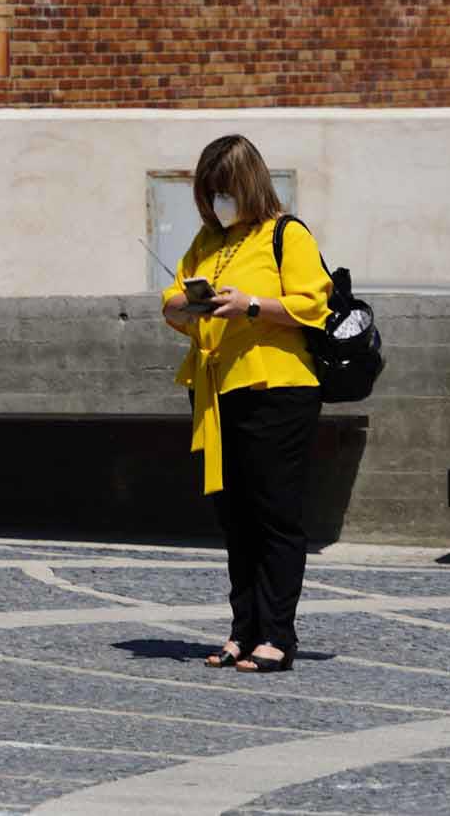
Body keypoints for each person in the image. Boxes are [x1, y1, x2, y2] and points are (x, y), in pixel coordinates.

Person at [161, 134, 331, 675]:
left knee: (274, 513)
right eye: (208, 194)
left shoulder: (286, 233)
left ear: (247, 185)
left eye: (224, 191)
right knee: (235, 517)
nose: (216, 204)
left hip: (276, 389)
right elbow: (173, 298)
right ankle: (244, 629)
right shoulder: (208, 240)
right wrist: (186, 306)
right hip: (215, 390)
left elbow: (314, 302)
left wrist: (251, 304)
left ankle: (278, 634)